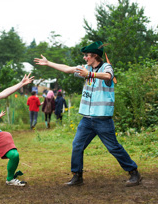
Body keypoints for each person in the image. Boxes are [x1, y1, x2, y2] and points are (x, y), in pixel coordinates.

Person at [34, 41, 141, 187]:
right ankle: (77, 176)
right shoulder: (85, 68)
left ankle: (134, 172)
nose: (85, 58)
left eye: (87, 56)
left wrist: (89, 74)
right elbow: (67, 69)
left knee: (113, 148)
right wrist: (48, 63)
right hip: (87, 119)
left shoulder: (105, 67)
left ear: (94, 56)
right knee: (77, 145)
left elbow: (108, 76)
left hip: (102, 119)